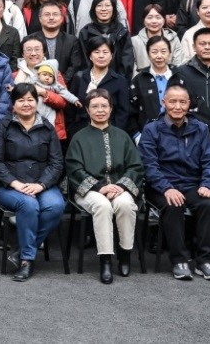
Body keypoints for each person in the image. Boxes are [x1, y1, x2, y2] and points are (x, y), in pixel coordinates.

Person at [138, 83, 210, 281]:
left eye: (182, 102)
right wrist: (166, 188)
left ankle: (204, 260)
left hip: (192, 184)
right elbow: (149, 165)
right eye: (173, 102)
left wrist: (208, 184)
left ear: (189, 104)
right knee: (173, 205)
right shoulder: (152, 129)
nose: (177, 106)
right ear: (164, 103)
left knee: (208, 204)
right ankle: (179, 260)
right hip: (161, 186)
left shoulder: (201, 128)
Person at [0, 83, 66, 282]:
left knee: (56, 205)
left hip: (41, 184)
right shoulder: (3, 126)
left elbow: (56, 163)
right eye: (21, 100)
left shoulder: (47, 127)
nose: (26, 104)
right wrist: (14, 183)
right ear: (13, 104)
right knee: (28, 204)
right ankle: (27, 260)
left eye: (30, 99)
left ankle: (21, 250)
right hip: (9, 187)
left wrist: (41, 185)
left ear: (37, 102)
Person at [66, 89, 143, 283]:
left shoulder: (122, 136)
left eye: (104, 106)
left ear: (111, 109)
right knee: (102, 205)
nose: (100, 110)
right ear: (87, 110)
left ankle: (125, 254)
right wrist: (100, 187)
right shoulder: (79, 138)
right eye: (95, 106)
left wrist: (121, 186)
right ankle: (106, 260)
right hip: (90, 190)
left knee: (125, 205)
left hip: (120, 187)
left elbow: (135, 166)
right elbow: (74, 169)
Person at [67, 36, 131, 138]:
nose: (101, 56)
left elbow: (123, 113)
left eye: (105, 52)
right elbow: (70, 108)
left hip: (109, 133)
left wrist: (116, 135)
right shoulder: (79, 77)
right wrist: (72, 130)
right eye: (96, 52)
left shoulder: (120, 81)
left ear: (111, 56)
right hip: (81, 133)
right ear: (90, 56)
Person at [129, 35, 188, 136]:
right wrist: (137, 136)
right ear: (148, 54)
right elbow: (131, 111)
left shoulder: (180, 77)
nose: (159, 56)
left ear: (169, 53)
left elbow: (191, 106)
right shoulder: (139, 79)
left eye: (163, 51)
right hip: (147, 135)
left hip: (178, 133)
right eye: (154, 52)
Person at [131, 4, 186, 71]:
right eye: (150, 17)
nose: (154, 21)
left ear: (164, 20)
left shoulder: (173, 38)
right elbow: (132, 68)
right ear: (144, 20)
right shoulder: (134, 41)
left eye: (158, 17)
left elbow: (178, 64)